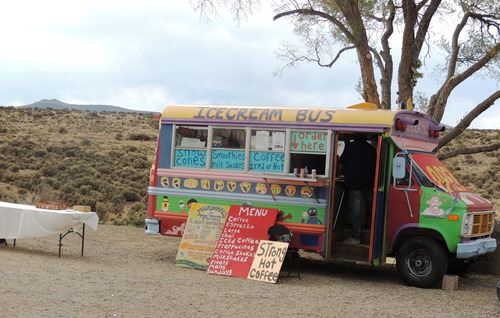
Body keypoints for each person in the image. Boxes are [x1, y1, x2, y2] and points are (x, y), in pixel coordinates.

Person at [339, 135, 376, 244]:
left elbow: (342, 160)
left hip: (354, 184)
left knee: (356, 211)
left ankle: (356, 237)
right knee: (372, 208)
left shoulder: (350, 147)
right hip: (368, 184)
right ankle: (373, 232)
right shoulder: (371, 149)